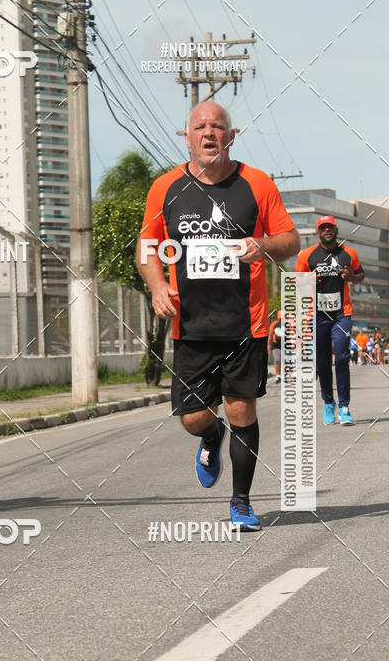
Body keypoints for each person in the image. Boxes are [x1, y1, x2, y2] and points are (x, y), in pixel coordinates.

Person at [137, 101, 299, 531]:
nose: (209, 133)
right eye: (200, 127)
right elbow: (147, 248)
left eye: (218, 126)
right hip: (190, 324)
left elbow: (290, 241)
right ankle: (211, 436)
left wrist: (262, 244)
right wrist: (157, 287)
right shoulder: (165, 189)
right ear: (186, 136)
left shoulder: (256, 184)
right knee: (193, 417)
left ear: (231, 135)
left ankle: (242, 502)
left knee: (242, 407)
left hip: (247, 323)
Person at [294, 216, 364, 425]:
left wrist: (351, 276)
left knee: (342, 356)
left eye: (330, 227)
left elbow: (360, 275)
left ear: (335, 229)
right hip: (317, 315)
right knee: (323, 361)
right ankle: (328, 403)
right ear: (318, 232)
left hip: (342, 313)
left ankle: (344, 406)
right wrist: (308, 280)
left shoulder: (349, 253)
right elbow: (295, 281)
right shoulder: (307, 255)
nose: (327, 230)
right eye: (323, 228)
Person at [268, 309, 285, 383]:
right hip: (276, 345)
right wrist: (268, 345)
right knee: (277, 360)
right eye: (280, 317)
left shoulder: (288, 324)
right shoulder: (274, 324)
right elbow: (270, 335)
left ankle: (284, 376)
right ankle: (278, 376)